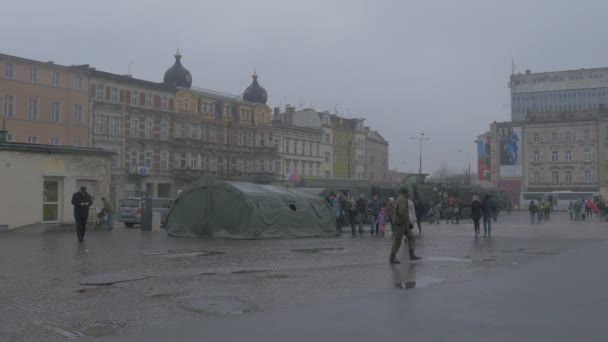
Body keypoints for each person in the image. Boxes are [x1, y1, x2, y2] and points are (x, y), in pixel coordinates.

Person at [389, 187, 421, 264]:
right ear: (405, 192)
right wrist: (408, 223)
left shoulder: (401, 198)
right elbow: (402, 213)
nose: (409, 193)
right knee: (398, 240)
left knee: (411, 236)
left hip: (403, 223)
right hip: (401, 223)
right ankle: (392, 257)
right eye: (408, 192)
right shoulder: (402, 199)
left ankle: (411, 254)